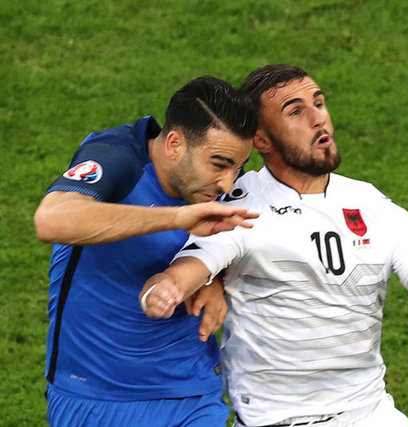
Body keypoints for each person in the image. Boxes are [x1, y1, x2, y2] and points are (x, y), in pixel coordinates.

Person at [140, 65, 408, 427]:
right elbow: (188, 270)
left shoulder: (373, 205)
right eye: (295, 111)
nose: (319, 118)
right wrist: (167, 289)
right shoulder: (241, 207)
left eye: (319, 103)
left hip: (372, 414)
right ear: (260, 138)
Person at [33, 76, 259, 426]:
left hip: (192, 391)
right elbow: (51, 220)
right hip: (97, 396)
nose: (228, 183)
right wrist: (176, 219)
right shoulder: (116, 156)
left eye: (238, 166)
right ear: (174, 144)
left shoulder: (221, 188)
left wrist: (213, 278)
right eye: (218, 164)